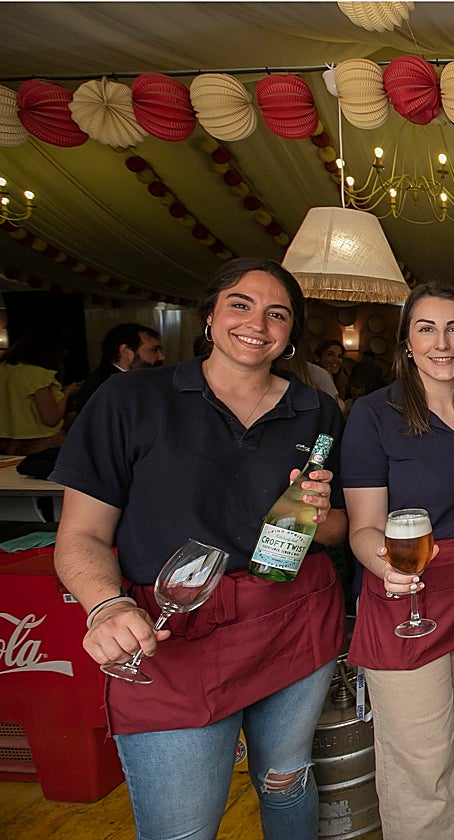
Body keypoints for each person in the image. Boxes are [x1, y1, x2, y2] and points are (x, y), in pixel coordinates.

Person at [51, 257, 347, 840]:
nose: (257, 324)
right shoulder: (130, 400)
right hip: (169, 632)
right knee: (182, 829)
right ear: (209, 316)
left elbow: (336, 528)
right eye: (240, 304)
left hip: (291, 622)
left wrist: (314, 515)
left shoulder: (317, 411)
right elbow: (80, 536)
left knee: (287, 780)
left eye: (277, 314)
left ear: (290, 336)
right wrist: (106, 606)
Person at [341, 282, 454, 840]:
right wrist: (385, 565)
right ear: (406, 343)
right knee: (421, 766)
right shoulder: (373, 415)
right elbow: (364, 527)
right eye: (426, 328)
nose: (442, 342)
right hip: (407, 599)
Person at [0, 332, 79, 454]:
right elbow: (50, 419)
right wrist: (67, 393)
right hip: (41, 443)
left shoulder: (4, 370)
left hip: (8, 444)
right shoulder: (36, 375)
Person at [76, 323, 164, 410]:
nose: (161, 357)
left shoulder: (127, 380)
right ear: (126, 351)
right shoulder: (105, 387)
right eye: (154, 350)